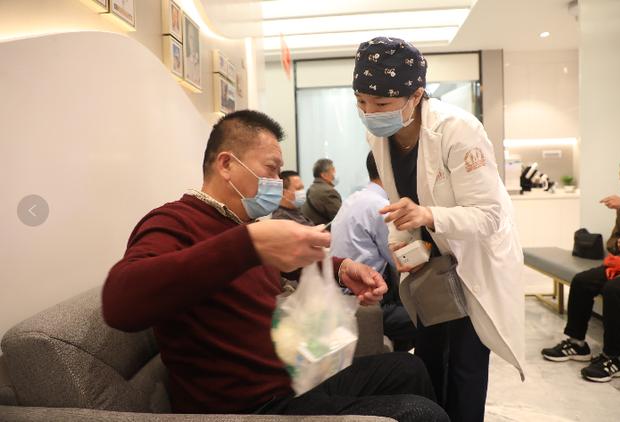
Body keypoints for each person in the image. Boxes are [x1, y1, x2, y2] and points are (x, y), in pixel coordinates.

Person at [102, 109, 448, 422]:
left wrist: (342, 269)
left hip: (295, 381)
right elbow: (120, 303)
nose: (278, 182)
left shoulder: (241, 225)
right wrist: (248, 243)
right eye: (271, 169)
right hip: (250, 407)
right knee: (421, 414)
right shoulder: (175, 221)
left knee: (408, 367)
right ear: (226, 164)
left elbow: (285, 264)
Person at [352, 37, 525, 422]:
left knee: (465, 365)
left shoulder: (458, 130)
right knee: (429, 356)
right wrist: (401, 242)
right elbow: (399, 202)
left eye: (380, 104)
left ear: (415, 95)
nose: (368, 113)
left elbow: (489, 215)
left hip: (473, 259)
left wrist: (429, 215)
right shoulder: (378, 135)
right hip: (431, 264)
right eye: (360, 102)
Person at [542, 155, 620, 382]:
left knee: (615, 290)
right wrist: (619, 244)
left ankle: (614, 357)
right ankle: (577, 343)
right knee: (582, 280)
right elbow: (612, 242)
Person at [331, 152, 417, 351]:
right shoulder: (381, 207)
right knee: (432, 315)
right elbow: (403, 260)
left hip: (342, 295)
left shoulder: (354, 198)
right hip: (364, 301)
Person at [302, 158, 342, 225]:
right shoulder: (328, 192)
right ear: (324, 175)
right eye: (333, 170)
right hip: (324, 230)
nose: (335, 173)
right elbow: (342, 219)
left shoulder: (312, 188)